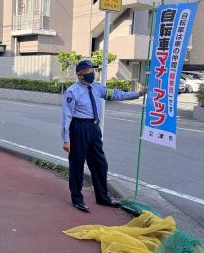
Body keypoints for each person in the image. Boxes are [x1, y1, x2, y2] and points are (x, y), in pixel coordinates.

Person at [61, 60, 146, 213]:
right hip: (79, 127)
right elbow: (66, 116)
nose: (92, 73)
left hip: (94, 128)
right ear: (80, 76)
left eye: (92, 70)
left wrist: (137, 94)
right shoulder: (72, 92)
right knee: (77, 164)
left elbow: (116, 95)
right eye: (88, 71)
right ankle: (77, 199)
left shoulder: (97, 88)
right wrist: (66, 139)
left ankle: (102, 197)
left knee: (100, 163)